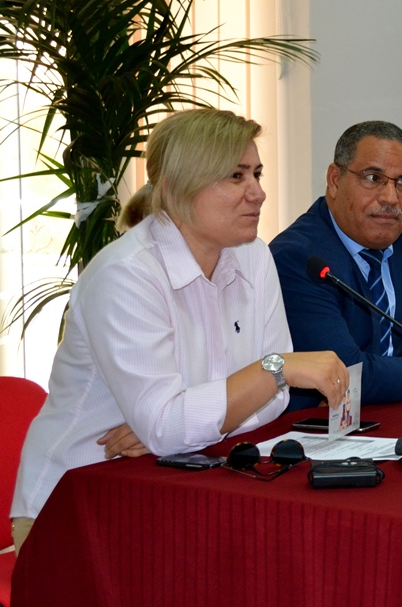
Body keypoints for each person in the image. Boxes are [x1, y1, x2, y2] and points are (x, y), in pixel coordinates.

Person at [10, 109, 348, 554]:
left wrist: (184, 426)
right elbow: (260, 384)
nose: (258, 192)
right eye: (236, 176)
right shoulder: (126, 274)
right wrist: (270, 371)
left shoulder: (254, 256)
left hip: (181, 484)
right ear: (175, 188)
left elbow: (274, 400)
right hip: (80, 497)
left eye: (257, 173)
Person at [270, 121, 402, 410]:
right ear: (335, 180)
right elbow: (346, 376)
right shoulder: (298, 257)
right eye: (373, 178)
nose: (390, 198)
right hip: (319, 431)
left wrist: (385, 374)